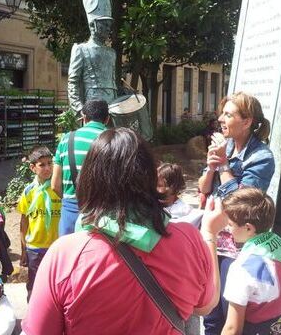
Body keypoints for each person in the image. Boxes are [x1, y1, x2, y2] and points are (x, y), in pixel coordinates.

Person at [22, 127, 225, 335]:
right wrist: (209, 235)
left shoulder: (65, 255)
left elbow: (39, 330)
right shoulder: (188, 238)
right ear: (151, 177)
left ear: (90, 179)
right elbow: (205, 305)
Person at [198, 92, 275, 335]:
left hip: (238, 247)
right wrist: (211, 168)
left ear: (247, 121)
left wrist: (223, 165)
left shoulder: (262, 157)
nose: (221, 118)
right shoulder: (225, 146)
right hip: (212, 240)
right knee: (210, 316)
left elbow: (241, 206)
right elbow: (203, 188)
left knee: (230, 315)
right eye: (222, 113)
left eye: (228, 114)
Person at [220, 188, 281, 335]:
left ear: (248, 228)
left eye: (230, 224)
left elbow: (233, 328)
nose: (227, 228)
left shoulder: (242, 268)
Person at [51, 99, 109, 236]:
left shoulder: (67, 139)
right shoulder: (114, 139)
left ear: (84, 118)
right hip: (103, 214)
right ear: (107, 119)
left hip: (70, 211)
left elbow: (54, 185)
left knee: (69, 255)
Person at [17, 146, 61, 301]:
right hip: (35, 249)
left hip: (57, 247)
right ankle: (33, 319)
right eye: (42, 165)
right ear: (32, 167)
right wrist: (23, 250)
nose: (47, 168)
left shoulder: (58, 188)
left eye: (50, 163)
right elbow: (24, 221)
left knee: (57, 286)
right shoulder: (29, 191)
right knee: (34, 285)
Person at [67, 0, 117, 114]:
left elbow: (112, 81)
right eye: (104, 24)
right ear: (92, 25)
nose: (108, 28)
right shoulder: (81, 49)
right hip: (92, 108)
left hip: (113, 107)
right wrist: (79, 108)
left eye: (109, 24)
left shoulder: (112, 53)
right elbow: (72, 82)